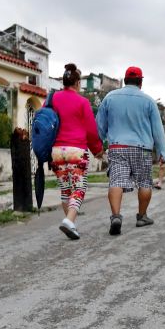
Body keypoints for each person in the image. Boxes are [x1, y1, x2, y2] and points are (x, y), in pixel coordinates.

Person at [96, 66, 165, 236]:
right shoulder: (149, 101)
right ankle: (142, 217)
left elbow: (99, 125)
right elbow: (158, 130)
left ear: (125, 80)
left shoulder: (110, 97)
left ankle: (115, 216)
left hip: (117, 147)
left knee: (116, 181)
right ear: (141, 82)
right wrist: (162, 153)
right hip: (142, 149)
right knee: (144, 182)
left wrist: (97, 144)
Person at [49, 63, 104, 240]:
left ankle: (70, 224)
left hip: (56, 151)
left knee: (65, 189)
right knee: (79, 188)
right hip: (76, 150)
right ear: (78, 83)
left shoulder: (52, 98)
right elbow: (90, 130)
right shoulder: (82, 102)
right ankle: (70, 221)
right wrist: (97, 149)